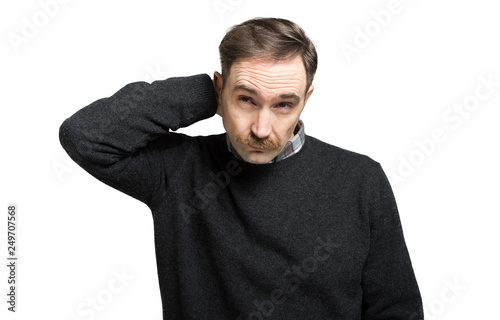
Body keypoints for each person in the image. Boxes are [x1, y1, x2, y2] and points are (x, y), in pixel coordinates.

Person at [60, 17, 423, 319]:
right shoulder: (178, 171)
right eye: (246, 99)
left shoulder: (360, 180)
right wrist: (201, 94)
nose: (262, 129)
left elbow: (397, 310)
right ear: (222, 92)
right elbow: (84, 137)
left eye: (284, 105)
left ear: (306, 99)